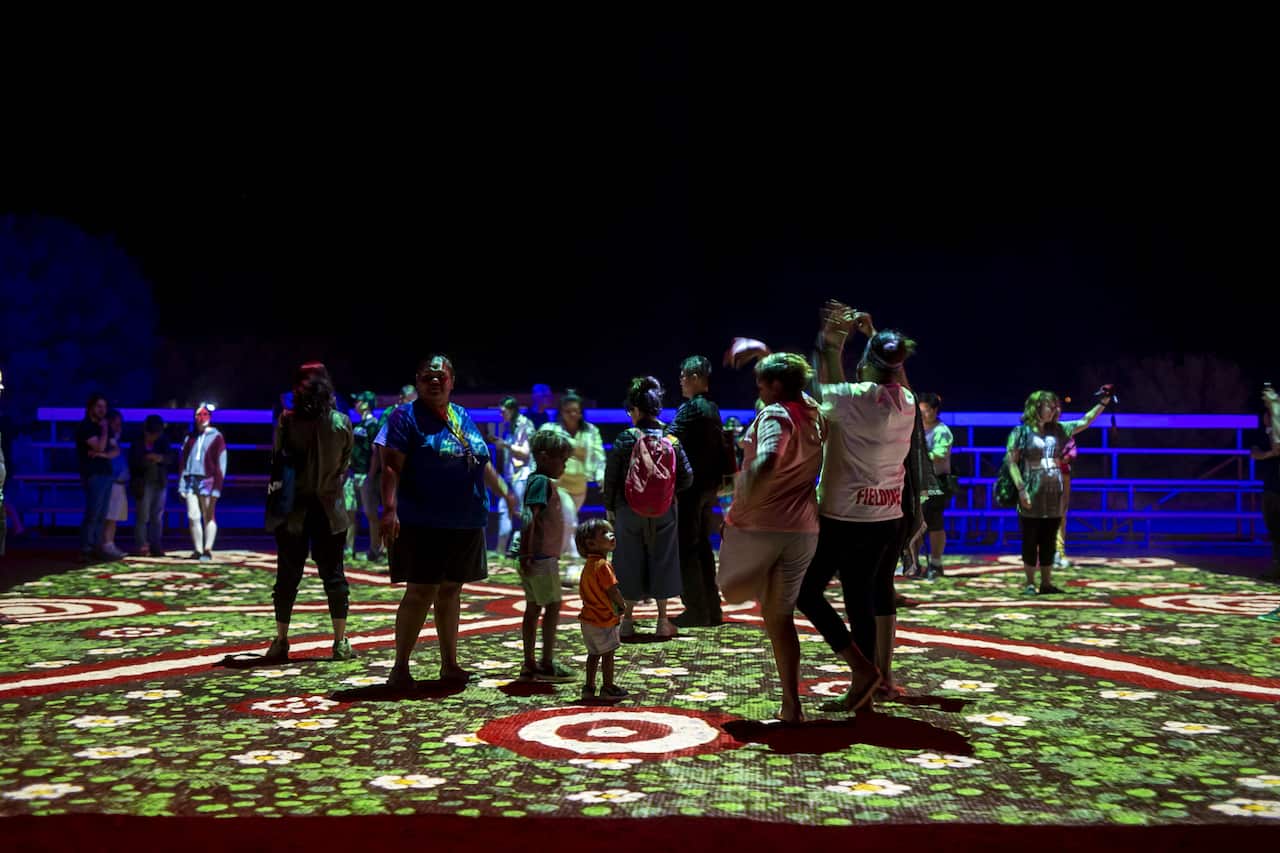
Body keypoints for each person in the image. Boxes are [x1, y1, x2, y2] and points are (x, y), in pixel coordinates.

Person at [795, 303, 918, 709]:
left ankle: (861, 670)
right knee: (860, 599)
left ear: (867, 365)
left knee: (807, 592)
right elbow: (891, 369)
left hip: (846, 517)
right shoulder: (908, 403)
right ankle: (864, 686)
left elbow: (828, 382)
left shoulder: (854, 400)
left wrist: (833, 341)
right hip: (886, 517)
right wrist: (873, 336)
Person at [377, 355, 519, 687]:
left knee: (452, 590)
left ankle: (449, 664)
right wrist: (389, 509)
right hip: (422, 522)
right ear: (418, 380)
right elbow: (390, 467)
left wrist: (507, 494)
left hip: (464, 520)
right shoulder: (404, 417)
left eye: (441, 376)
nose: (435, 382)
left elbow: (481, 463)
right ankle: (400, 667)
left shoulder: (461, 416)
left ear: (452, 380)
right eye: (428, 377)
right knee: (420, 591)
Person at [717, 351, 826, 723]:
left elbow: (767, 459)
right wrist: (766, 354)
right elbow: (799, 385)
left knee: (732, 589)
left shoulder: (775, 415)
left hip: (767, 527)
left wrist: (735, 501)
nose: (758, 389)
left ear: (776, 386)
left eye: (762, 382)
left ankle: (792, 703)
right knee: (779, 617)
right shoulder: (811, 412)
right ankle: (791, 703)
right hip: (803, 528)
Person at [264, 363, 357, 662]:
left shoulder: (287, 422)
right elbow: (344, 464)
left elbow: (276, 460)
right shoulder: (341, 423)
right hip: (330, 509)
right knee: (334, 576)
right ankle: (340, 641)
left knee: (287, 576)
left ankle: (281, 641)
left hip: (293, 510)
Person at [602, 376, 693, 638]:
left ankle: (627, 622)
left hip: (628, 510)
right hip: (664, 511)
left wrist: (611, 507)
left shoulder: (625, 439)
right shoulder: (671, 439)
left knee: (628, 561)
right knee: (663, 560)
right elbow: (687, 476)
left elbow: (612, 478)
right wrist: (667, 493)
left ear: (637, 409)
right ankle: (663, 621)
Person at [1005, 388, 1112, 595]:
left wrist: (1103, 403)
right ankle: (1029, 581)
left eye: (1055, 405)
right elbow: (1012, 462)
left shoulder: (1060, 430)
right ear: (1036, 408)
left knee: (1048, 535)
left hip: (1054, 488)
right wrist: (1020, 488)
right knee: (1031, 535)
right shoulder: (1020, 432)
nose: (1054, 409)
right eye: (1049, 405)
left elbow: (1084, 421)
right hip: (1031, 487)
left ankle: (1046, 582)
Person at [668, 355, 729, 627]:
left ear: (694, 377)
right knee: (703, 548)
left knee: (687, 550)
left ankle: (696, 609)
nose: (680, 381)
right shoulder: (713, 408)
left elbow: (669, 439)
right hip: (709, 488)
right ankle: (712, 609)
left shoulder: (691, 408)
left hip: (690, 489)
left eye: (683, 376)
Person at [516, 429, 574, 681]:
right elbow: (531, 517)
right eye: (561, 459)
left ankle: (531, 663)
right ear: (543, 457)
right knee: (551, 606)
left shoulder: (538, 481)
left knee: (534, 607)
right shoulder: (540, 482)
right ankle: (545, 662)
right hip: (540, 557)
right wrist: (527, 552)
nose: (564, 465)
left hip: (538, 555)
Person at [539, 390, 606, 558]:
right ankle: (573, 555)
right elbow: (539, 450)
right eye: (568, 411)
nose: (573, 414)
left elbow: (599, 456)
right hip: (558, 483)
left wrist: (600, 475)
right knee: (570, 520)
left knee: (563, 523)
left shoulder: (591, 431)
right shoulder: (551, 429)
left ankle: (556, 554)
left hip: (579, 485)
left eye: (576, 410)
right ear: (561, 412)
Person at [576, 518, 628, 702]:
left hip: (588, 619)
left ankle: (588, 687)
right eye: (605, 533)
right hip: (603, 619)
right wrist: (622, 605)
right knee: (608, 654)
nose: (611, 535)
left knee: (593, 654)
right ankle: (608, 687)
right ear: (591, 543)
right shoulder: (603, 565)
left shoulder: (588, 565)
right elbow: (611, 590)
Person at [178, 403, 227, 562]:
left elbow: (221, 463)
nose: (202, 418)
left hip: (208, 480)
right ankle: (198, 549)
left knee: (208, 515)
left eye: (205, 414)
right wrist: (182, 483)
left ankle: (207, 548)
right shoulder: (190, 438)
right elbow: (183, 461)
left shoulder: (216, 437)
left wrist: (217, 487)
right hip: (191, 479)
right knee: (193, 515)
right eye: (199, 415)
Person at [914, 392, 954, 579]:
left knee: (934, 522)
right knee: (916, 522)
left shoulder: (941, 431)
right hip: (917, 481)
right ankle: (914, 562)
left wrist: (919, 456)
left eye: (926, 411)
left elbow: (939, 454)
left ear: (935, 410)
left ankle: (936, 563)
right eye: (920, 411)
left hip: (935, 481)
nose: (922, 415)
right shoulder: (916, 429)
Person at [491, 396, 534, 556]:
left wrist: (506, 445)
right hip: (513, 476)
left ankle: (521, 549)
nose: (501, 415)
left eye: (503, 411)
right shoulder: (511, 426)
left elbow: (525, 452)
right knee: (505, 509)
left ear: (511, 410)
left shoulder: (524, 424)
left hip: (522, 475)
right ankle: (501, 550)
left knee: (521, 513)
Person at [76, 393, 114, 561]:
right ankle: (85, 549)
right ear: (91, 408)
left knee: (101, 513)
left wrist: (103, 455)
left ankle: (97, 547)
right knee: (93, 512)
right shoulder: (86, 427)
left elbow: (115, 450)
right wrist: (104, 431)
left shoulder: (102, 427)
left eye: (104, 407)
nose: (102, 410)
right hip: (93, 474)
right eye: (99, 407)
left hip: (106, 472)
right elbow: (100, 446)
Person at [347, 391, 382, 561]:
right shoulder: (359, 424)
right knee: (350, 511)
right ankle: (349, 548)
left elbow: (376, 451)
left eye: (359, 401)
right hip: (354, 474)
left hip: (365, 475)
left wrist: (371, 475)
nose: (356, 404)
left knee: (370, 513)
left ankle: (375, 549)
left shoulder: (372, 425)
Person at [129, 414, 171, 557]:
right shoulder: (137, 442)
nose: (153, 437)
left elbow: (170, 459)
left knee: (157, 517)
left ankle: (156, 545)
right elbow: (133, 463)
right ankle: (142, 545)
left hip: (160, 482)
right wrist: (146, 460)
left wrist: (158, 458)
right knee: (142, 516)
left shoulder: (163, 441)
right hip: (143, 483)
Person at [1251, 384, 1280, 581]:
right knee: (1273, 528)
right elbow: (1255, 453)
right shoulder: (1262, 435)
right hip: (1270, 488)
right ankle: (1277, 566)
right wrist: (1270, 453)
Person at [99, 410, 129, 560]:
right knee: (110, 516)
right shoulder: (107, 442)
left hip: (119, 483)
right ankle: (106, 544)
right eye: (116, 424)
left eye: (120, 424)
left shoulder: (116, 441)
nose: (119, 427)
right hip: (112, 483)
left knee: (114, 516)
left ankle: (109, 543)